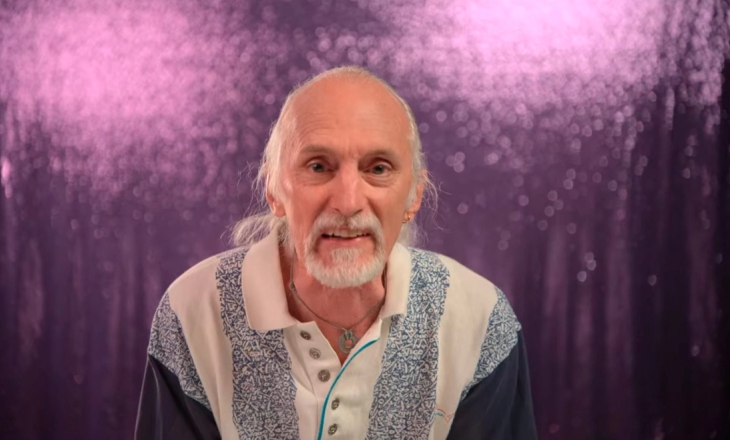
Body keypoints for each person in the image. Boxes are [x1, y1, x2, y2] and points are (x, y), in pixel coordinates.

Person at [134, 67, 537, 440]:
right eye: (318, 167)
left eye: (378, 169)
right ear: (274, 189)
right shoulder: (193, 312)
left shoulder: (479, 318)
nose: (347, 202)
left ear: (414, 195)